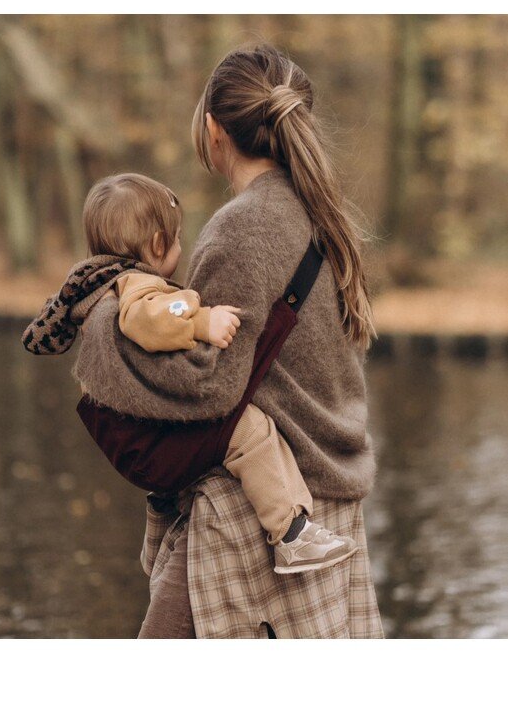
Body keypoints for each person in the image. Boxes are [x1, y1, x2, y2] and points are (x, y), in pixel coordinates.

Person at [76, 44, 384, 638]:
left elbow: (208, 387)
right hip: (321, 499)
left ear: (215, 130)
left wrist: (101, 329)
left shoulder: (241, 227)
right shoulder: (317, 212)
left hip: (255, 519)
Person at [22, 172, 359, 572]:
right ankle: (289, 533)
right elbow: (147, 316)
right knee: (252, 431)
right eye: (178, 238)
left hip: (138, 441)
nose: (182, 246)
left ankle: (160, 533)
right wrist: (201, 320)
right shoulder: (135, 286)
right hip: (146, 442)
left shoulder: (108, 285)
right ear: (158, 245)